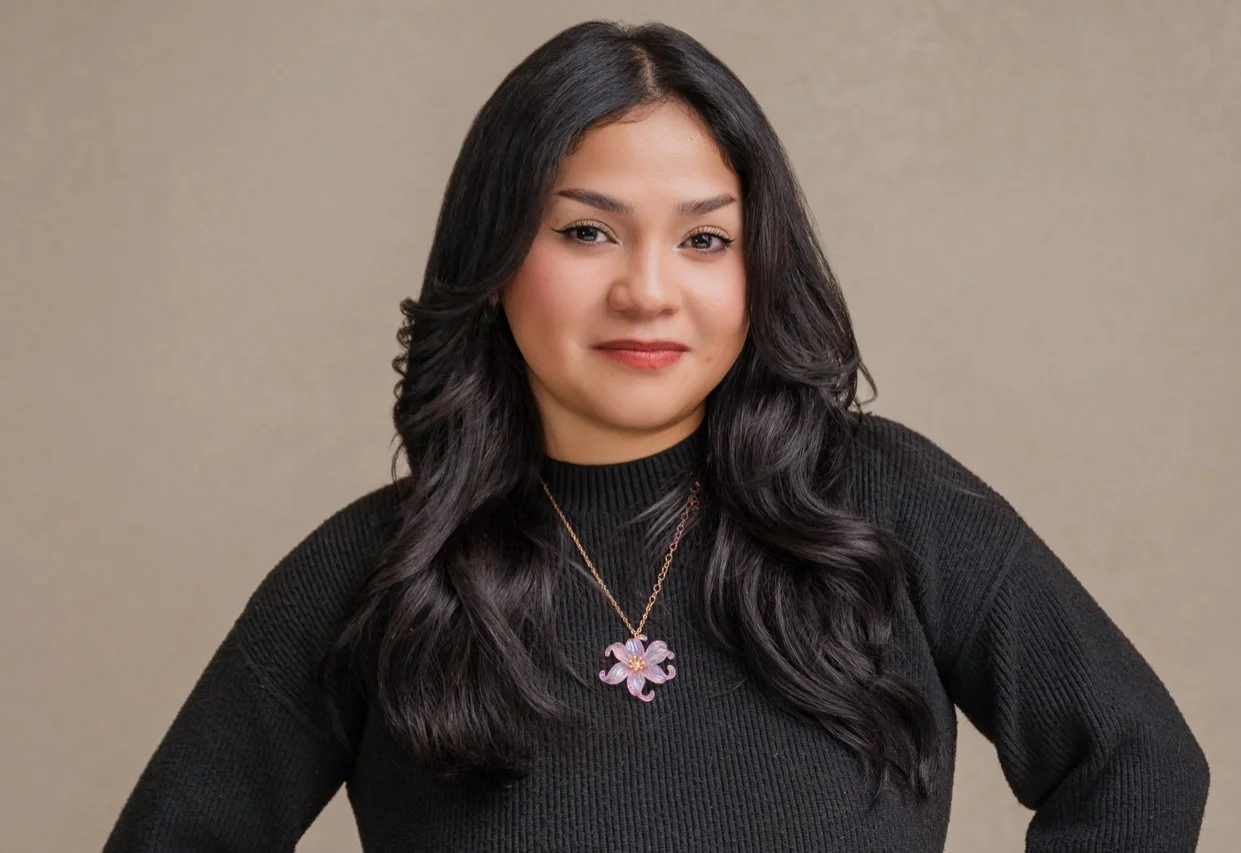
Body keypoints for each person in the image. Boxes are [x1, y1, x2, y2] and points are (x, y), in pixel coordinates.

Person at [103, 19, 1209, 853]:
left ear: (756, 263)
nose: (646, 291)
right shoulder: (372, 575)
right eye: (585, 231)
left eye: (703, 239)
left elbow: (1138, 765)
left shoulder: (885, 502)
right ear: (493, 263)